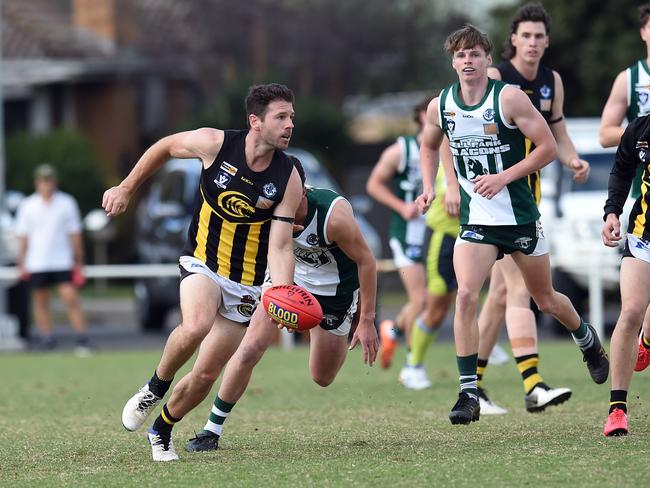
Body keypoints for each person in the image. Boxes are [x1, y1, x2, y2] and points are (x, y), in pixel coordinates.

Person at [415, 24, 609, 426]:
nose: (468, 61)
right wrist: (431, 186)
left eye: (475, 54)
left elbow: (548, 148)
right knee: (466, 294)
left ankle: (586, 338)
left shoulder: (509, 98)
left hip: (519, 216)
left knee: (546, 299)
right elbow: (429, 143)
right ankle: (468, 392)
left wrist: (504, 177)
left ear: (489, 60)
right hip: (477, 221)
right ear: (452, 62)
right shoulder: (441, 105)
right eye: (460, 55)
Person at [104, 83, 304, 461]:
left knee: (206, 375)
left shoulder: (288, 176)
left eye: (291, 116)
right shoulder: (215, 144)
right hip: (202, 262)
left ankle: (162, 428)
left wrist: (283, 292)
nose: (290, 124)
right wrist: (128, 187)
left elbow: (279, 244)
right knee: (195, 325)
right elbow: (163, 147)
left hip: (245, 283)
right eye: (281, 117)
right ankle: (155, 387)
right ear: (255, 122)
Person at [182, 167, 379, 454]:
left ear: (302, 189)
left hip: (335, 292)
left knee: (322, 377)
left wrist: (367, 319)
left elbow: (367, 260)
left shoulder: (332, 216)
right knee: (249, 348)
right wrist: (285, 298)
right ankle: (211, 430)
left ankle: (321, 324)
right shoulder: (267, 211)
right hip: (288, 279)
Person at [475, 2, 590, 415]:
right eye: (526, 35)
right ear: (513, 40)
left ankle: (474, 388)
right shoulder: (496, 78)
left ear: (547, 40)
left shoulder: (550, 81)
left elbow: (555, 128)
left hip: (529, 198)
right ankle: (533, 384)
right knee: (519, 289)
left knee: (501, 294)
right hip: (495, 199)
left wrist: (572, 158)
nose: (534, 43)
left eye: (540, 36)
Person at [366, 97, 429, 377]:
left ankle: (393, 331)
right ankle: (413, 364)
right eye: (431, 113)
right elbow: (373, 184)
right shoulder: (403, 150)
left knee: (443, 298)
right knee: (421, 300)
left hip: (442, 229)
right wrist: (401, 206)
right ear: (420, 117)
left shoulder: (452, 147)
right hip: (409, 232)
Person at [601, 114, 650, 436]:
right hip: (643, 233)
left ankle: (647, 341)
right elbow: (621, 171)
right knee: (631, 311)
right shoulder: (641, 128)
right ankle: (617, 410)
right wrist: (612, 212)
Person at [399, 146, 459, 390]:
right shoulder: (448, 161)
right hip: (443, 239)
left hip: (471, 239)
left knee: (462, 302)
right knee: (435, 308)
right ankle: (412, 365)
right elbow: (449, 203)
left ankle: (484, 356)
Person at [15, 164, 90, 355]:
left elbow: (75, 234)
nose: (46, 184)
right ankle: (48, 339)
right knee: (40, 301)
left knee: (70, 298)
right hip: (37, 261)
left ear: (55, 181)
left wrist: (79, 261)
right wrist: (21, 262)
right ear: (37, 182)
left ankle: (82, 339)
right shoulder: (27, 205)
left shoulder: (67, 202)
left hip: (62, 260)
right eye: (43, 180)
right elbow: (23, 236)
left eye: (49, 180)